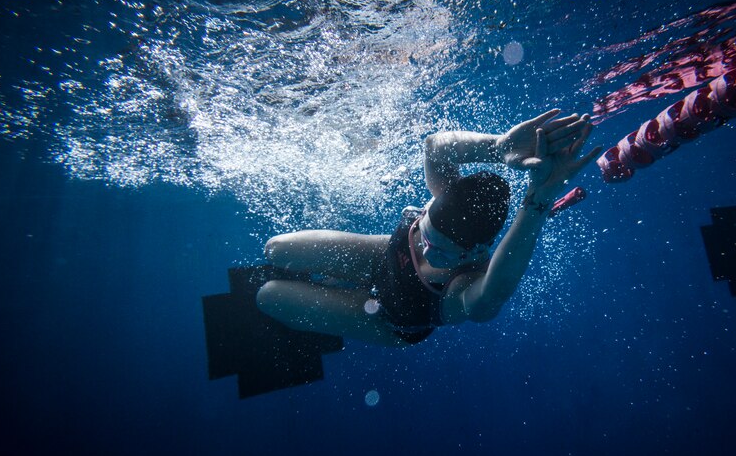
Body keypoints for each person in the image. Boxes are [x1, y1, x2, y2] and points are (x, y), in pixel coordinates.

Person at [256, 109, 601, 347]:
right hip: (377, 259)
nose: (422, 247)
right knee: (275, 249)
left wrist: (538, 201)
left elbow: (494, 293)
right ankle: (341, 279)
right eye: (423, 230)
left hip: (388, 321)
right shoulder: (445, 202)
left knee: (268, 296)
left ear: (475, 253)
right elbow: (435, 146)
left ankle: (343, 292)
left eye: (438, 250)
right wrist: (498, 148)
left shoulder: (463, 287)